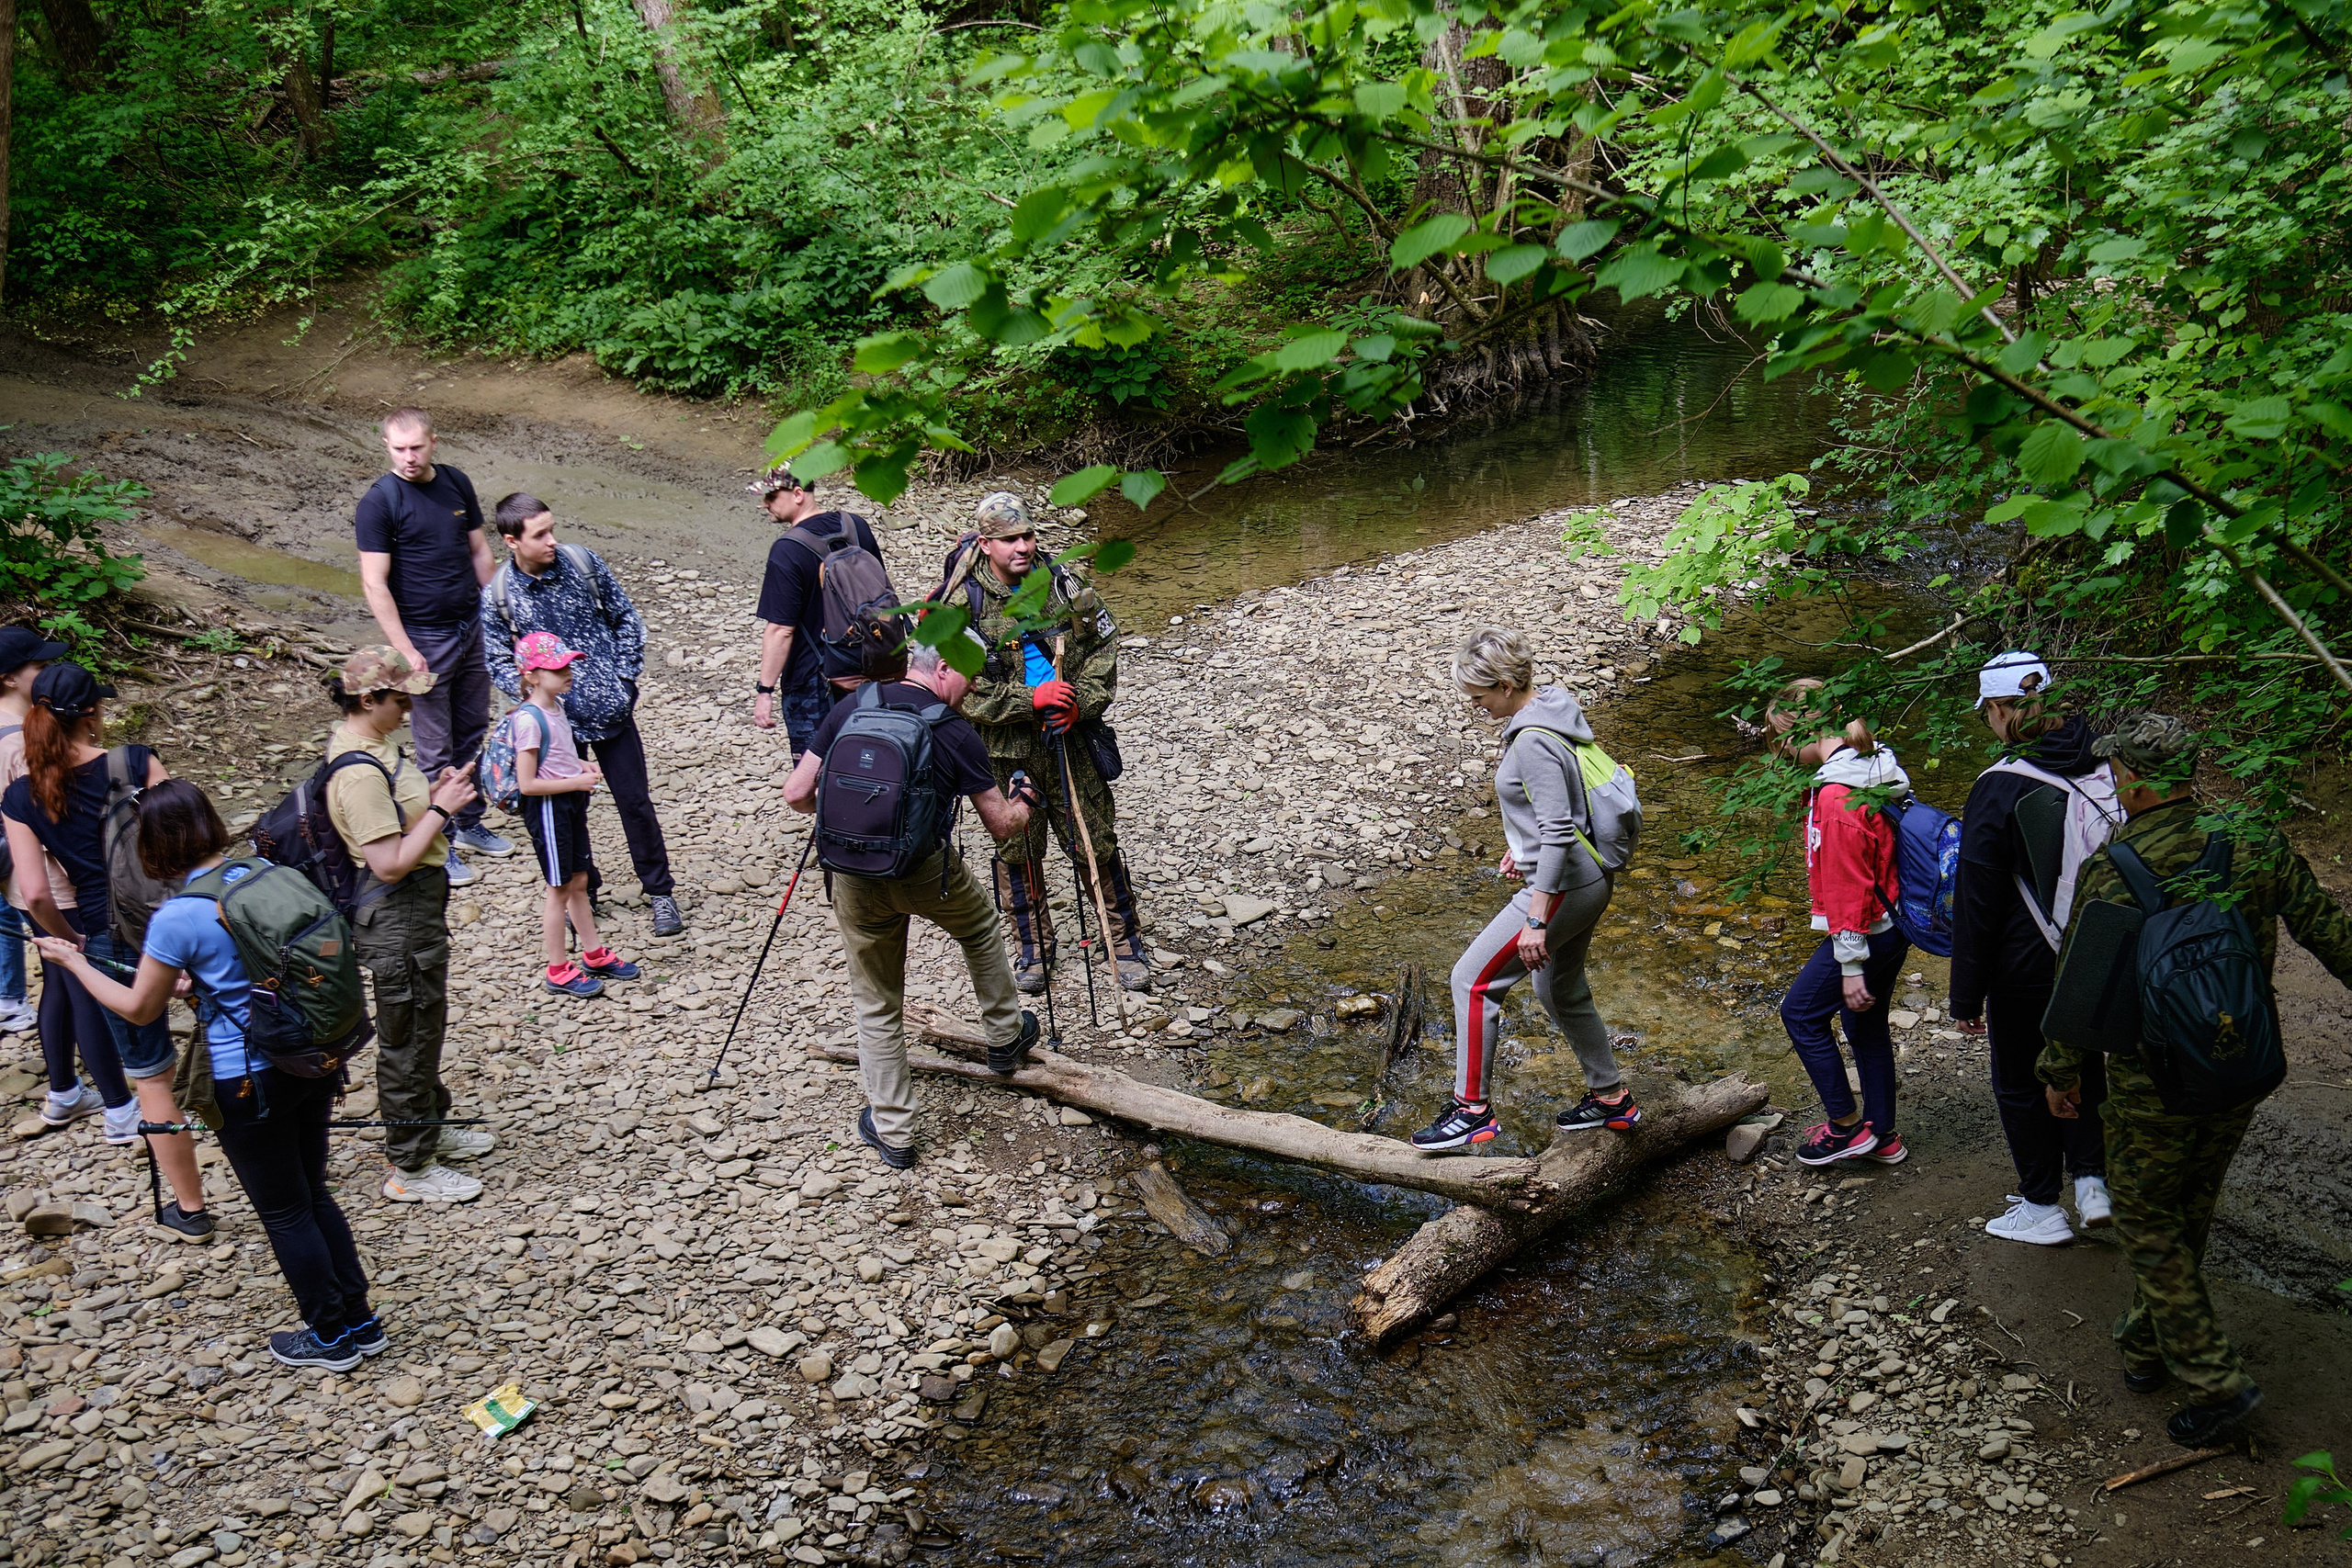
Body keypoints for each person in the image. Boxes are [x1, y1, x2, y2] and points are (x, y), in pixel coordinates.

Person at [2041, 713, 2352, 1449]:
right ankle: (2145, 1346)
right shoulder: (2253, 836)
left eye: (2119, 771)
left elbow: (2078, 988)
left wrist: (2058, 1070)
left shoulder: (2115, 867)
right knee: (2189, 1208)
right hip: (2242, 1062)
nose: (2112, 778)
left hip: (2155, 1083)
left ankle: (2218, 1382)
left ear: (2140, 781)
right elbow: (2329, 933)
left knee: (2149, 1222)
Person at [35, 781, 386, 1369]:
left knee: (284, 1210)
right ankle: (360, 1319)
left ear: (155, 845)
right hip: (309, 1058)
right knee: (312, 1191)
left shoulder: (178, 916)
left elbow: (137, 1009)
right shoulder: (266, 874)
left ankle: (330, 1337)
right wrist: (195, 978)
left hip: (246, 1079)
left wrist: (73, 961)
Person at [783, 626, 1042, 1168]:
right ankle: (1003, 1037)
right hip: (925, 871)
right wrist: (1025, 801)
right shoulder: (952, 731)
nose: (972, 687)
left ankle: (894, 1132)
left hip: (852, 877)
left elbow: (797, 794)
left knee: (877, 1001)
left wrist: (853, 827)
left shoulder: (851, 706)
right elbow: (1002, 825)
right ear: (943, 666)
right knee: (978, 928)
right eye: (968, 673)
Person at [0, 662, 212, 1236]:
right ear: (92, 713)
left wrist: (70, 942)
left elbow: (38, 892)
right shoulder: (136, 762)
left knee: (150, 1078)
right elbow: (190, 845)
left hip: (105, 936)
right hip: (182, 919)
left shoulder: (21, 797)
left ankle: (191, 1209)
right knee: (233, 1035)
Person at [1410, 627, 1638, 1151]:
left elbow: (1558, 828)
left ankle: (1472, 1112)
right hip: (1587, 876)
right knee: (1558, 988)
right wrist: (1524, 848)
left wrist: (1536, 919)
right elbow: (1564, 810)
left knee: (1471, 981)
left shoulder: (1532, 738)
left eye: (1481, 697)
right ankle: (1611, 1099)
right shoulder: (1555, 711)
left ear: (1508, 685)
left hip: (1563, 886)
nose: (1478, 708)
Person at [948, 491, 1152, 993]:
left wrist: (1080, 701)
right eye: (1009, 539)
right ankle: (1033, 949)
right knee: (1016, 847)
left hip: (1071, 738)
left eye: (1028, 536)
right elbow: (960, 688)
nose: (1022, 546)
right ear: (985, 542)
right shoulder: (962, 605)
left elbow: (1104, 644)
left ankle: (1122, 942)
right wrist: (1030, 700)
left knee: (1094, 838)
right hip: (1006, 750)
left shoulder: (1064, 585)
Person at [1951, 652, 2118, 1245]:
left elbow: (1977, 898)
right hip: (2098, 950)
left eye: (1989, 713)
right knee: (2082, 1060)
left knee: (2021, 1079)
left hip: (2027, 957)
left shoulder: (1998, 786)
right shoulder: (2109, 759)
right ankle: (2094, 1184)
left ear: (1998, 709)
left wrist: (1965, 993)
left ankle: (2042, 1205)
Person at [322, 647, 493, 1205]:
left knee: (425, 1024)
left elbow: (402, 820)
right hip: (396, 915)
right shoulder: (357, 772)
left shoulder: (377, 746)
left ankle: (431, 1127)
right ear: (367, 700)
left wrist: (433, 795)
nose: (409, 711)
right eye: (401, 701)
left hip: (417, 908)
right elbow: (388, 862)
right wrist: (443, 810)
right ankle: (411, 1165)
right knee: (409, 1036)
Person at [481, 493, 683, 940]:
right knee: (570, 812)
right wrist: (535, 702)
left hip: (611, 712)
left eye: (552, 528)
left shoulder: (581, 563)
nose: (552, 540)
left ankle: (661, 892)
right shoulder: (498, 595)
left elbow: (625, 618)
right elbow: (496, 660)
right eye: (540, 534)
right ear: (512, 541)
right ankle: (583, 893)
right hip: (555, 730)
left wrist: (625, 680)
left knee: (635, 803)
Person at [352, 407, 514, 886]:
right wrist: (404, 650)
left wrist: (500, 616)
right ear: (386, 447)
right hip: (422, 636)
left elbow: (479, 551)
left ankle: (468, 823)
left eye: (416, 447)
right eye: (399, 449)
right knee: (433, 745)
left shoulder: (455, 483)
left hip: (471, 624)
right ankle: (435, 843)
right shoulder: (379, 503)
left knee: (472, 729)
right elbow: (374, 584)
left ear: (433, 442)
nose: (408, 457)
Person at [1769, 678, 1913, 1168]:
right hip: (1893, 924)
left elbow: (1849, 882)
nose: (1783, 749)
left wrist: (1850, 965)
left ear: (1804, 727)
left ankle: (1845, 1128)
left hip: (1866, 932)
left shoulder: (1836, 796)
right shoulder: (1875, 766)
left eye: (1782, 737)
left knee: (1801, 1014)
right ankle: (1883, 1135)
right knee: (1863, 1023)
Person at [510, 632, 641, 999]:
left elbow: (558, 755)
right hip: (549, 809)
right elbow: (527, 784)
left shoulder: (556, 707)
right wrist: (575, 781)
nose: (568, 672)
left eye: (568, 665)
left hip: (569, 803)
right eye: (557, 668)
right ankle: (557, 968)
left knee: (579, 881)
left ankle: (594, 952)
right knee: (559, 888)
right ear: (531, 675)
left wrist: (579, 766)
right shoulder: (529, 719)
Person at [750, 467, 884, 756]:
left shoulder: (787, 549)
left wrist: (765, 691)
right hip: (872, 668)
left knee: (814, 778)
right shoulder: (856, 526)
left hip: (813, 683)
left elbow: (780, 630)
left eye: (771, 496)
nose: (764, 504)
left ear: (798, 494)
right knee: (868, 762)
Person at [0, 626, 69, 1038]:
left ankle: (64, 1089)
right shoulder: (19, 741)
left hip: (12, 870)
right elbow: (47, 818)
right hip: (37, 874)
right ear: (9, 677)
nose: (48, 673)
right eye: (39, 666)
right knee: (67, 974)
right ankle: (116, 1100)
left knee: (57, 975)